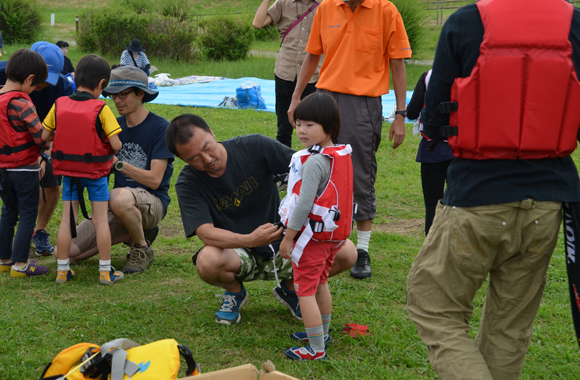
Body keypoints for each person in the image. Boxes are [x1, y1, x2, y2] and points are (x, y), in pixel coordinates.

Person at [406, 0, 580, 379]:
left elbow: (435, 107)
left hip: (478, 198)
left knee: (432, 304)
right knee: (510, 325)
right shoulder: (574, 23)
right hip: (548, 204)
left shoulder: (466, 21)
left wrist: (436, 131)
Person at [167, 114, 357, 325]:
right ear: (182, 159)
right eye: (194, 158)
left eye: (207, 147)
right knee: (207, 261)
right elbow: (206, 233)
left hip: (286, 243)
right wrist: (249, 240)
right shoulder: (188, 183)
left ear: (212, 132)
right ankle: (234, 292)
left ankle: (294, 288)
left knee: (346, 252)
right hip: (239, 252)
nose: (207, 159)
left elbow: (310, 169)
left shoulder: (254, 146)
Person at [287, 0, 412, 279]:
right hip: (325, 98)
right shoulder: (326, 8)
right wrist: (296, 98)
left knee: (359, 173)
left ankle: (362, 250)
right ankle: (318, 237)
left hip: (363, 104)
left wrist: (401, 114)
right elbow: (312, 55)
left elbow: (398, 62)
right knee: (318, 166)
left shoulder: (386, 11)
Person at [58, 66, 174, 273]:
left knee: (119, 197)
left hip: (151, 203)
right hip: (115, 205)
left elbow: (155, 180)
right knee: (64, 252)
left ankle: (142, 247)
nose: (117, 101)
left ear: (140, 94)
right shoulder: (112, 126)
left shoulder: (160, 128)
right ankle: (129, 234)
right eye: (113, 96)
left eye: (123, 95)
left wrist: (117, 164)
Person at [278, 93, 353, 361]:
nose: (301, 130)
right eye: (298, 124)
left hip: (313, 237)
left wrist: (288, 238)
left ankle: (315, 349)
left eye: (310, 125)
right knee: (321, 282)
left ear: (329, 126)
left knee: (305, 290)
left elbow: (303, 205)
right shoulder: (341, 154)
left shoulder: (315, 162)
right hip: (334, 235)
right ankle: (322, 333)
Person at [42, 55, 124, 285]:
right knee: (100, 221)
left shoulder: (59, 104)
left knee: (68, 221)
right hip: (96, 175)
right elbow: (116, 145)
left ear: (75, 77)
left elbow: (45, 135)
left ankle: (62, 270)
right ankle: (105, 272)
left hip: (68, 174)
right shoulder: (101, 108)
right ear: (101, 83)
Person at [0, 49, 50, 277]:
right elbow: (40, 136)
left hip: (3, 170)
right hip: (24, 168)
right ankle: (21, 264)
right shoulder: (21, 103)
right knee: (29, 212)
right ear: (29, 79)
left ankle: (4, 258)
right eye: (35, 85)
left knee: (9, 210)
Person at [252, 0, 322, 148]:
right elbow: (257, 23)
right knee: (284, 126)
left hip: (314, 74)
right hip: (286, 71)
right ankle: (283, 167)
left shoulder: (326, 5)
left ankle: (315, 164)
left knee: (315, 125)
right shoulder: (283, 3)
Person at [29, 41, 74, 256]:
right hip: (10, 142)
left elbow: (64, 130)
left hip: (46, 140)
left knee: (53, 178)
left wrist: (45, 155)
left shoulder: (63, 87)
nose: (44, 84)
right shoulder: (5, 73)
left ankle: (40, 230)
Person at [406, 69, 454, 235]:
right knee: (462, 206)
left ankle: (431, 254)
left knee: (432, 207)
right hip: (462, 151)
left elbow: (411, 112)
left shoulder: (429, 76)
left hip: (432, 149)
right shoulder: (474, 73)